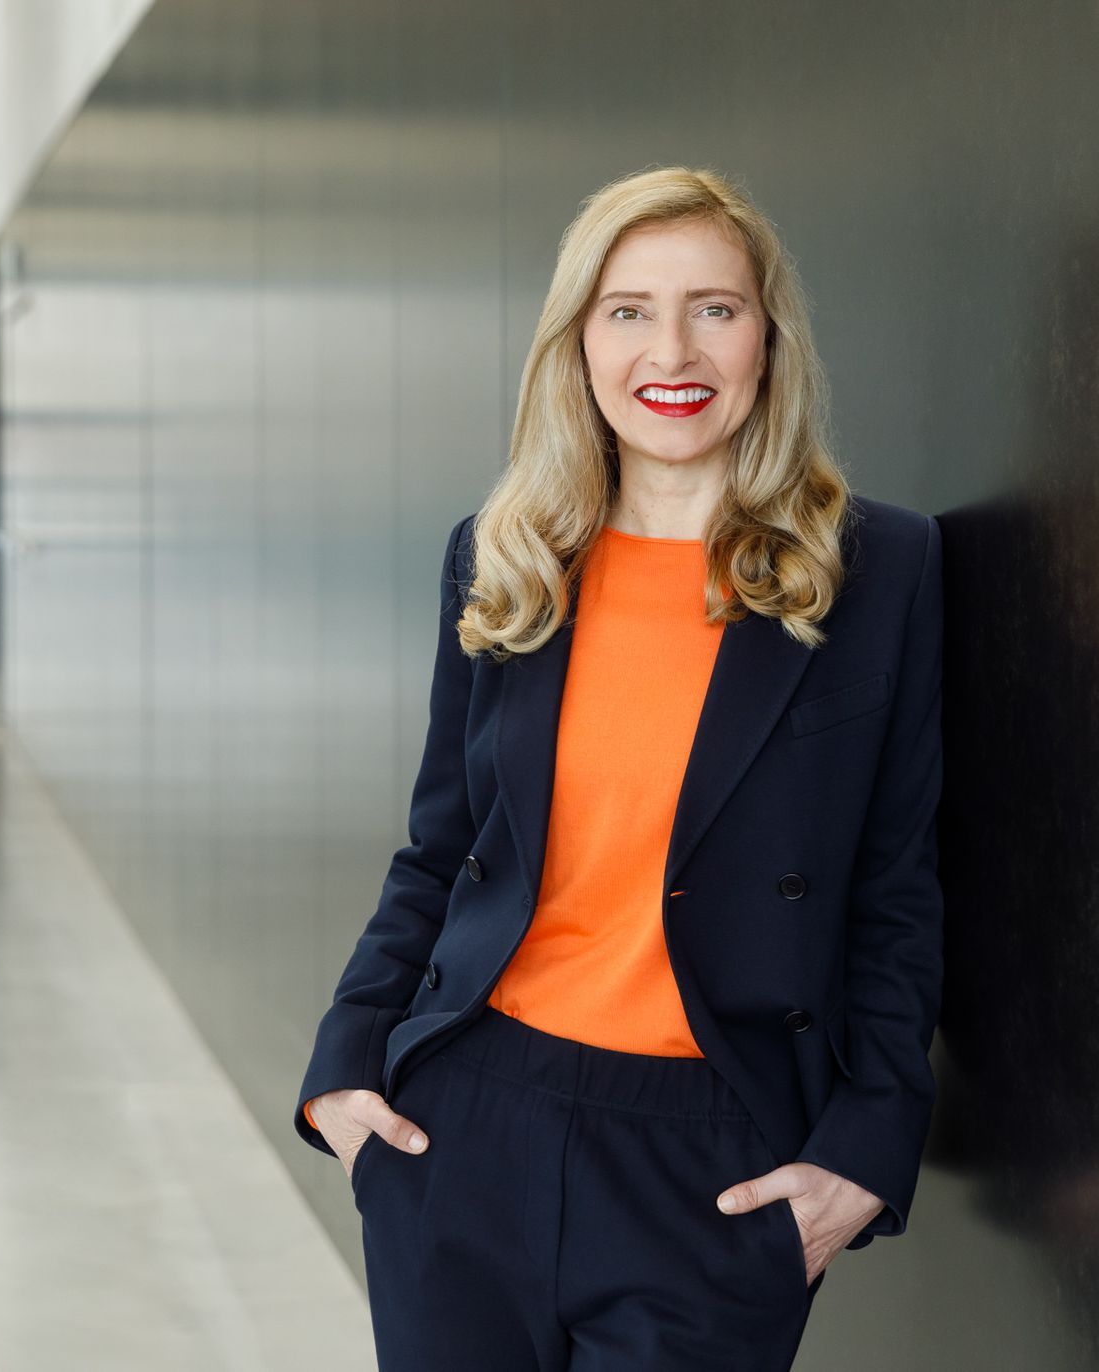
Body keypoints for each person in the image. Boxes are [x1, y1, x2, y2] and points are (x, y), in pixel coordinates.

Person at [294, 164, 945, 1371]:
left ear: (768, 338)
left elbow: (898, 886)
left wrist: (869, 1144)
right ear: (579, 342)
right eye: (629, 310)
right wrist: (344, 1065)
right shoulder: (506, 560)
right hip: (466, 1129)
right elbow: (443, 848)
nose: (673, 350)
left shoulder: (879, 572)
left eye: (715, 307)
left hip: (716, 1158)